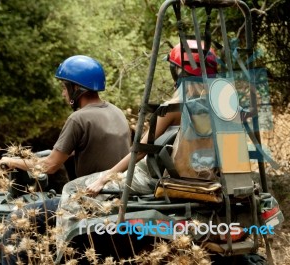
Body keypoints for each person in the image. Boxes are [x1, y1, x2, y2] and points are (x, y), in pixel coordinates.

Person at [55, 40, 219, 251]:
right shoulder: (218, 106)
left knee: (72, 189)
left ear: (177, 72)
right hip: (201, 176)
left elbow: (140, 151)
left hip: (153, 177)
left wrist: (105, 178)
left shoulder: (172, 107)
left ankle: (64, 253)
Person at [0, 55, 131, 264]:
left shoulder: (78, 118)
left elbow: (49, 166)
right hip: (117, 194)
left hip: (89, 198)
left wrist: (12, 161)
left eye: (64, 87)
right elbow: (90, 146)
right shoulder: (116, 112)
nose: (62, 92)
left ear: (76, 89)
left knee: (17, 220)